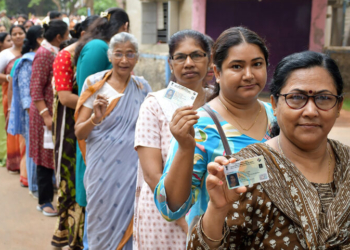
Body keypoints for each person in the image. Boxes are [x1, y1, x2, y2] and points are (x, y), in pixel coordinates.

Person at [188, 51, 349, 249]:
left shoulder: (346, 162)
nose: (310, 111)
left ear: (339, 105)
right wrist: (216, 210)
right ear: (274, 104)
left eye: (324, 98)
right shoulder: (247, 167)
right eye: (296, 97)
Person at [154, 27, 276, 238]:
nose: (249, 75)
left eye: (257, 64)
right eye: (237, 66)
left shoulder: (277, 116)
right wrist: (185, 147)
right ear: (217, 72)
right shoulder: (201, 125)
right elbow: (170, 208)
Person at [133, 29, 211, 249]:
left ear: (209, 60)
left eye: (197, 55)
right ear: (171, 63)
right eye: (180, 57)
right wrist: (182, 219)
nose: (189, 63)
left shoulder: (219, 102)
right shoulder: (155, 104)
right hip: (164, 215)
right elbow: (151, 175)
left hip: (212, 214)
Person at [75, 32, 151, 250]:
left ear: (137, 57)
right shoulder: (95, 84)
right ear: (110, 56)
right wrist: (95, 119)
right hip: (102, 171)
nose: (124, 60)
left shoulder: (143, 87)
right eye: (118, 54)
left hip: (133, 171)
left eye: (130, 54)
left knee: (132, 224)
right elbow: (80, 132)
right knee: (100, 221)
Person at [74, 8, 129, 249]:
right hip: (96, 135)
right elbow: (88, 94)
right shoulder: (98, 48)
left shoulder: (139, 83)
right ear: (125, 27)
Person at [51, 15, 98, 250]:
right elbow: (65, 97)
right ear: (84, 35)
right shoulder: (65, 56)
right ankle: (69, 232)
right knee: (70, 177)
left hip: (93, 121)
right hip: (70, 124)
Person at [29, 20, 69, 216]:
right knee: (44, 159)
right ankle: (44, 201)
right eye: (67, 34)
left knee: (52, 157)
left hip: (51, 114)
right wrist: (45, 115)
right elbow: (35, 89)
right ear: (59, 37)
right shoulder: (44, 55)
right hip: (44, 115)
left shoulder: (53, 52)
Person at [7, 25, 43, 198]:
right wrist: (34, 114)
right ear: (38, 39)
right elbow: (25, 93)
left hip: (40, 113)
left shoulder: (39, 57)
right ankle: (33, 184)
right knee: (32, 148)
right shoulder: (27, 61)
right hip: (32, 114)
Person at [0, 25, 26, 175]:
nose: (17, 36)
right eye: (14, 34)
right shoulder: (5, 54)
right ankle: (14, 161)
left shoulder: (30, 51)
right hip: (9, 94)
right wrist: (9, 78)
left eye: (20, 33)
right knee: (12, 125)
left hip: (26, 96)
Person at [0, 31, 12, 167]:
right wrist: (9, 78)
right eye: (9, 40)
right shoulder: (4, 55)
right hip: (4, 91)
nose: (12, 42)